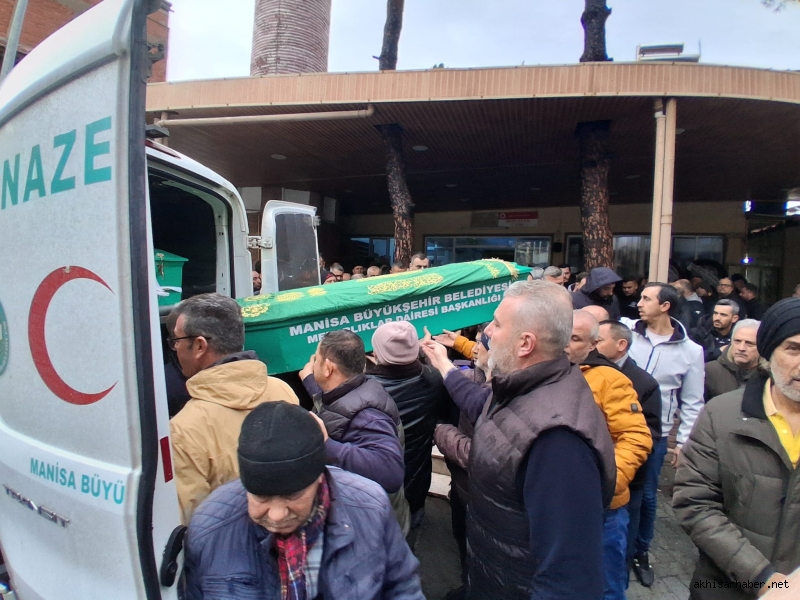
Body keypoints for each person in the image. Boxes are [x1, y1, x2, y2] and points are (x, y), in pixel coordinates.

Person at [422, 280, 616, 600]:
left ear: (525, 343)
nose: (487, 333)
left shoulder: (558, 442)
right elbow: (485, 409)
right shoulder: (526, 386)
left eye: (497, 325)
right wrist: (442, 363)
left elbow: (569, 578)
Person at [184, 401, 424, 600]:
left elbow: (403, 588)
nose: (276, 514)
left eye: (292, 495)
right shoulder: (208, 529)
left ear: (319, 477)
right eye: (261, 496)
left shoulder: (370, 508)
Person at [674, 297, 800, 600]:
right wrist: (765, 579)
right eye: (794, 349)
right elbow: (696, 503)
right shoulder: (722, 415)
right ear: (769, 352)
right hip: (725, 588)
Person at [168, 294, 299, 524]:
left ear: (199, 346)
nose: (175, 348)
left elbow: (193, 522)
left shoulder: (183, 429)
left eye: (176, 340)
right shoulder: (282, 389)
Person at [621, 282, 705, 587]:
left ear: (665, 306)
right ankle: (617, 550)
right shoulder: (626, 332)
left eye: (646, 298)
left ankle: (640, 552)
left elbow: (692, 401)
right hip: (616, 427)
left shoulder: (691, 351)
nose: (639, 303)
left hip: (655, 435)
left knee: (646, 496)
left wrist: (683, 442)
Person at [566, 310, 652, 600]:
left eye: (575, 338)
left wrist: (607, 482)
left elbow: (636, 436)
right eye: (562, 335)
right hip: (559, 504)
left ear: (593, 344)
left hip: (603, 510)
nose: (565, 344)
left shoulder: (610, 380)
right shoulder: (548, 372)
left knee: (605, 588)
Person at [299, 330, 409, 533]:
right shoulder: (360, 387)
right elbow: (338, 406)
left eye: (317, 360)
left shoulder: (368, 416)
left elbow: (391, 472)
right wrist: (311, 381)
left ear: (328, 368)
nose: (313, 364)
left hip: (373, 531)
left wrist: (326, 446)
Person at [367, 321, 447, 543]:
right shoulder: (434, 378)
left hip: (378, 488)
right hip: (416, 481)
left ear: (377, 352)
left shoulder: (363, 388)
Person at [595, 320, 662, 581]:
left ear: (621, 345)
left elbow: (648, 434)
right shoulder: (581, 372)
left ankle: (633, 561)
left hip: (626, 483)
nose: (593, 345)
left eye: (599, 340)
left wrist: (615, 476)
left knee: (619, 548)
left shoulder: (643, 382)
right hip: (597, 487)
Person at [434, 331, 491, 596]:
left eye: (481, 344)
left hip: (483, 494)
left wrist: (441, 431)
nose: (474, 349)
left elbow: (478, 455)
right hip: (462, 487)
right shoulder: (475, 376)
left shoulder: (500, 392)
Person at [704, 319, 763, 401]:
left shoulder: (769, 374)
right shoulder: (710, 370)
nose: (741, 348)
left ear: (762, 346)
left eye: (749, 343)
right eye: (737, 341)